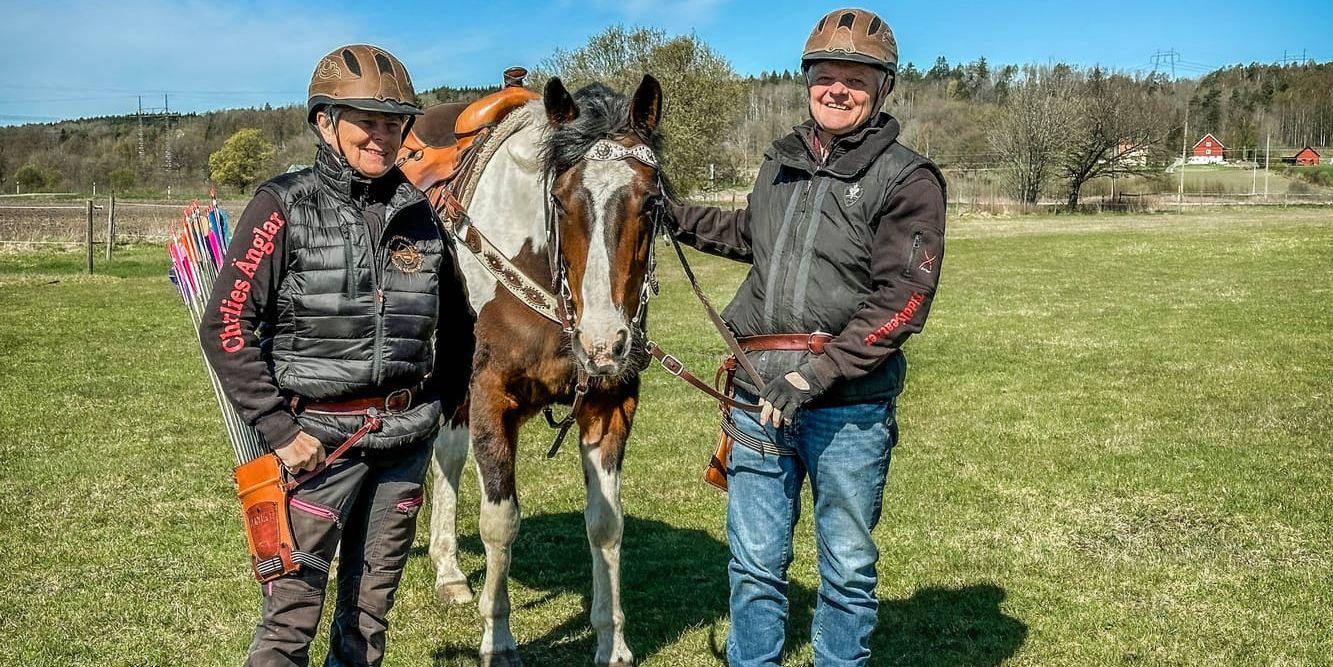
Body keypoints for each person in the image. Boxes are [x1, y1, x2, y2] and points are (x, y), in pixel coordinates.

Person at [666, 9, 947, 666]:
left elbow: (902, 298)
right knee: (754, 566)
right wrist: (670, 213)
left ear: (882, 89)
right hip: (756, 396)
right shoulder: (781, 161)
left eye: (855, 78)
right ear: (808, 82)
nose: (837, 89)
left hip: (845, 407)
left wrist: (816, 375)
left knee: (845, 569)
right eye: (826, 77)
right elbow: (751, 237)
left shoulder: (907, 178)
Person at [200, 44, 474, 667]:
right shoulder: (283, 207)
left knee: (367, 625)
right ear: (325, 121)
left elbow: (459, 328)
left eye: (393, 123)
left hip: (403, 445)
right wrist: (279, 429)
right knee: (289, 622)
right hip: (318, 446)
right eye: (367, 120)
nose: (383, 136)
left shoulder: (422, 217)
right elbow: (225, 324)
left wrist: (435, 405)